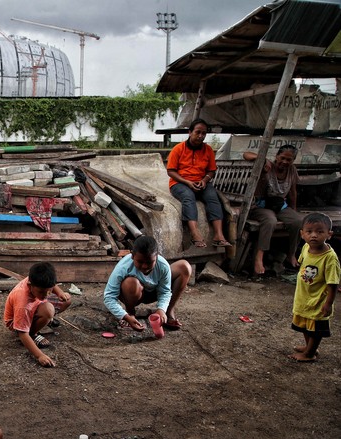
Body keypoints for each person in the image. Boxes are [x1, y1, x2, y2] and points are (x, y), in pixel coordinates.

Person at [103, 235, 192, 331]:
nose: (145, 266)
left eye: (149, 262)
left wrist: (161, 309)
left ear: (157, 257)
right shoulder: (123, 267)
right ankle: (130, 313)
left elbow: (165, 291)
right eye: (140, 262)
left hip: (153, 292)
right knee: (130, 283)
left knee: (184, 266)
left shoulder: (162, 265)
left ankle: (168, 311)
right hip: (132, 294)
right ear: (132, 256)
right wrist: (124, 316)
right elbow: (109, 297)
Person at [167, 118, 232, 248]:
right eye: (198, 132)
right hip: (180, 182)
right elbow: (171, 171)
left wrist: (204, 180)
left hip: (201, 182)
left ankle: (218, 235)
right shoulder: (178, 149)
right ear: (190, 132)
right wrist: (187, 182)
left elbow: (211, 171)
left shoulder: (208, 150)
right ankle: (194, 233)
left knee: (213, 197)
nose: (200, 136)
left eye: (203, 133)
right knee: (188, 197)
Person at [243, 145, 304, 275]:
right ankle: (259, 257)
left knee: (298, 221)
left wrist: (293, 210)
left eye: (289, 160)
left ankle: (291, 254)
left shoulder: (292, 170)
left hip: (279, 205)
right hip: (261, 205)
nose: (285, 162)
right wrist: (262, 159)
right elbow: (246, 155)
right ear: (277, 156)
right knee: (270, 221)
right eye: (282, 158)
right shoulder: (268, 166)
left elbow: (293, 192)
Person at [289, 213, 340, 362]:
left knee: (317, 328)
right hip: (304, 297)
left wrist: (328, 303)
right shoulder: (305, 247)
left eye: (319, 232)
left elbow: (333, 283)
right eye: (309, 231)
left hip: (319, 300)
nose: (314, 236)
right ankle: (309, 347)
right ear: (302, 234)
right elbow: (303, 265)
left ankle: (309, 354)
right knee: (305, 324)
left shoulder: (330, 258)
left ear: (329, 234)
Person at [3, 262, 72, 368]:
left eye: (48, 292)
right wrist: (40, 355)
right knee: (48, 311)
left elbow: (52, 287)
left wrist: (60, 293)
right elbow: (22, 333)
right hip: (16, 321)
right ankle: (33, 333)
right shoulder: (22, 301)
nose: (45, 296)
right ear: (30, 285)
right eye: (41, 292)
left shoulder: (38, 281)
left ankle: (45, 319)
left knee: (66, 300)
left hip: (35, 305)